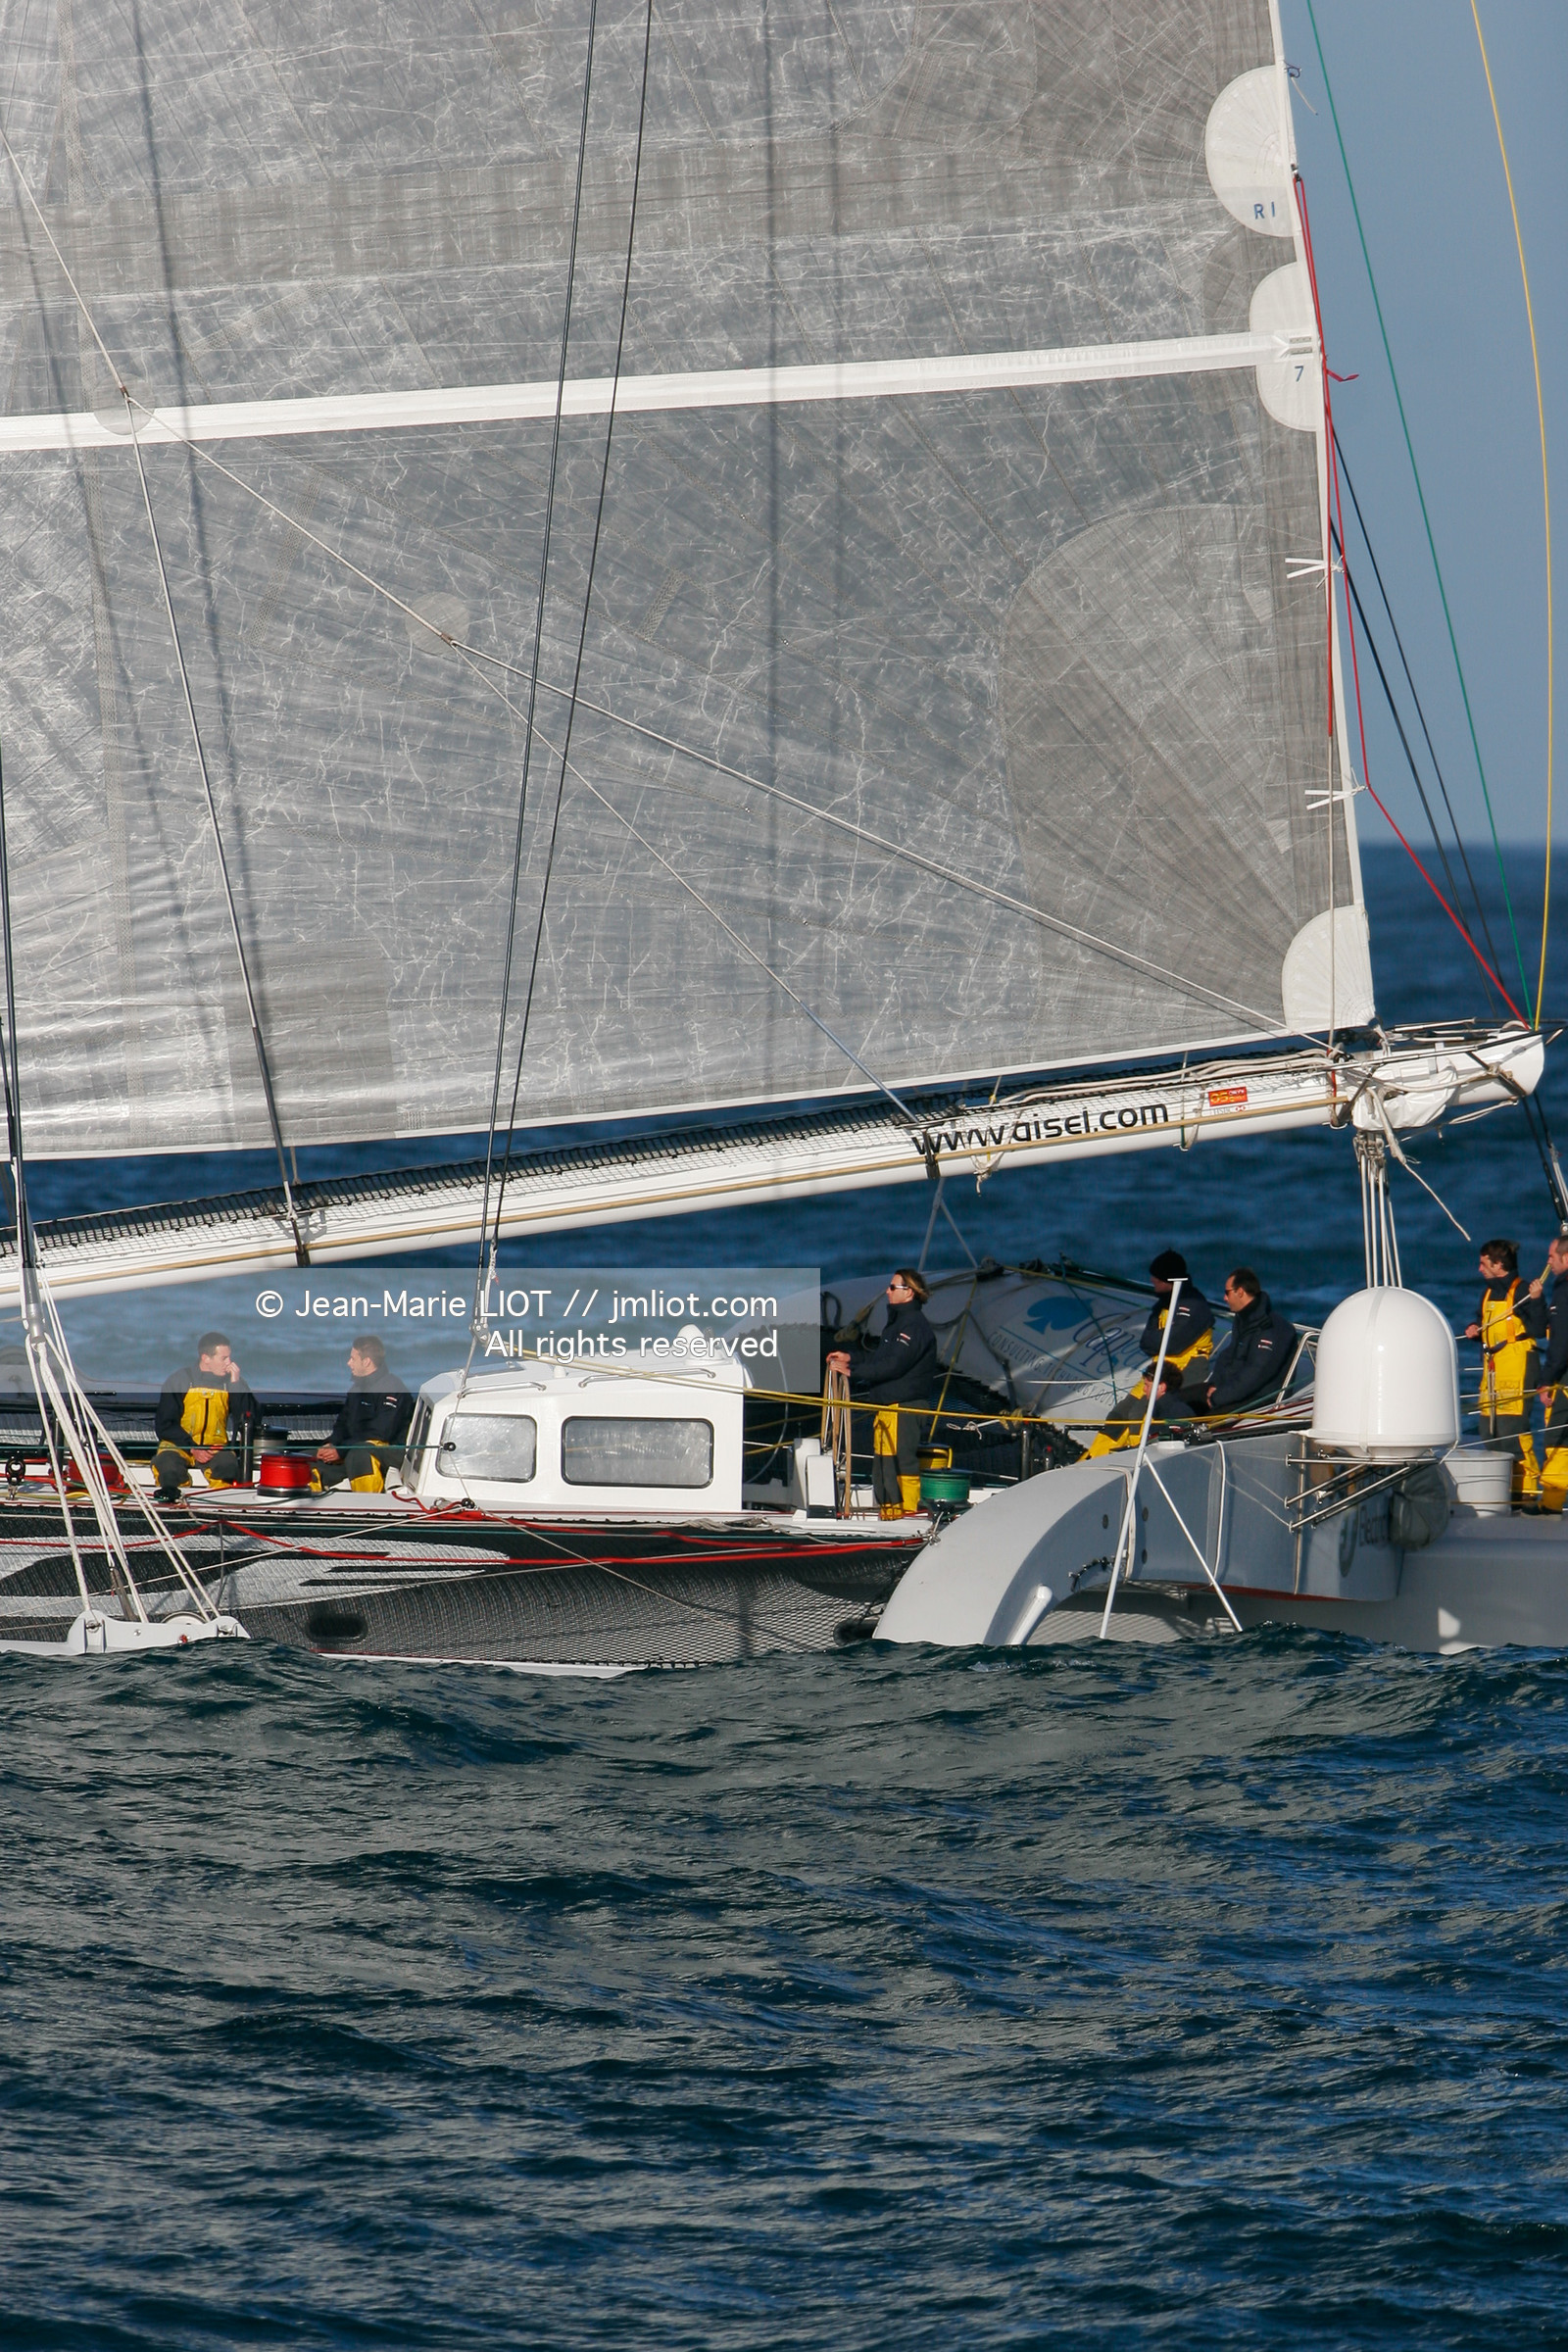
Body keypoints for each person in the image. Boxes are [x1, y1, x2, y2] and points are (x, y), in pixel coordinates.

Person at [825, 1270, 937, 1519]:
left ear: (908, 1292)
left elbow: (893, 1365)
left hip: (903, 1407)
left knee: (900, 1463)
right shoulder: (897, 1324)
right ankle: (890, 1513)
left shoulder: (914, 1326)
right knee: (884, 1463)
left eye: (892, 1287)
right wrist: (851, 1358)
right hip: (888, 1407)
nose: (887, 1291)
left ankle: (907, 1514)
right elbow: (880, 1358)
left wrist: (852, 1372)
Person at [1464, 1238, 1544, 1500]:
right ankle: (1505, 1489)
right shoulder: (1487, 1293)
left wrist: (1537, 1300)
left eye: (1483, 1264)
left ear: (1499, 1264)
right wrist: (1475, 1330)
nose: (1479, 1269)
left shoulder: (1521, 1291)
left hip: (1517, 1367)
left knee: (1514, 1432)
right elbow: (1483, 1320)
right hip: (1493, 1371)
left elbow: (1537, 1328)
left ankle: (1528, 1492)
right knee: (1489, 1430)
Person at [153, 1332, 254, 1506]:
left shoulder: (232, 1382)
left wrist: (236, 1385)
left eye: (229, 1357)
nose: (229, 1363)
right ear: (206, 1358)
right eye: (224, 1358)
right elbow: (164, 1425)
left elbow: (248, 1417)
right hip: (179, 1445)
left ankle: (218, 1505)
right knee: (168, 1466)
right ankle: (177, 1501)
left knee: (228, 1466)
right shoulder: (179, 1381)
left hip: (214, 1446)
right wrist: (192, 1447)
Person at [314, 1336, 415, 1493]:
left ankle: (369, 1506)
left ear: (366, 1361)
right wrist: (332, 1444)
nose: (349, 1363)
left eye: (353, 1358)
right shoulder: (356, 1390)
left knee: (360, 1454)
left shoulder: (393, 1389)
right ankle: (308, 1506)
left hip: (386, 1453)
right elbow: (342, 1424)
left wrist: (341, 1449)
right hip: (351, 1449)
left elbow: (381, 1432)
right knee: (305, 1459)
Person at [1203, 1269, 1298, 1417]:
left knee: (1197, 1417)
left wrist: (1218, 1397)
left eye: (1227, 1293)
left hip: (1258, 1399)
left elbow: (1255, 1374)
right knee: (1177, 1399)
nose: (1224, 1298)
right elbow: (1227, 1357)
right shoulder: (1242, 1320)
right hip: (1229, 1391)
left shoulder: (1272, 1329)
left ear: (1240, 1292)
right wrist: (1214, 1385)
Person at [1137, 1250, 1215, 1394]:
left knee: (1138, 1413)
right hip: (1160, 1366)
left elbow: (1172, 1343)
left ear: (1170, 1280)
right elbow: (1145, 1342)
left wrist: (1157, 1339)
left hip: (1183, 1368)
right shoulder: (1162, 1303)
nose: (1152, 1280)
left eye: (1158, 1278)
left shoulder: (1194, 1305)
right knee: (1119, 1413)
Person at [1530, 1234, 1568, 1511]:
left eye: (1552, 1257)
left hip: (1564, 1377)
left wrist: (1545, 1380)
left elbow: (1561, 1343)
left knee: (1558, 1438)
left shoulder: (1565, 1291)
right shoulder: (1559, 1290)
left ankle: (1552, 1505)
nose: (1548, 1262)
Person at [1086, 1367, 1197, 1458]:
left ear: (1161, 1387)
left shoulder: (1175, 1412)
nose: (1143, 1389)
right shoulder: (1164, 1408)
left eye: (1147, 1385)